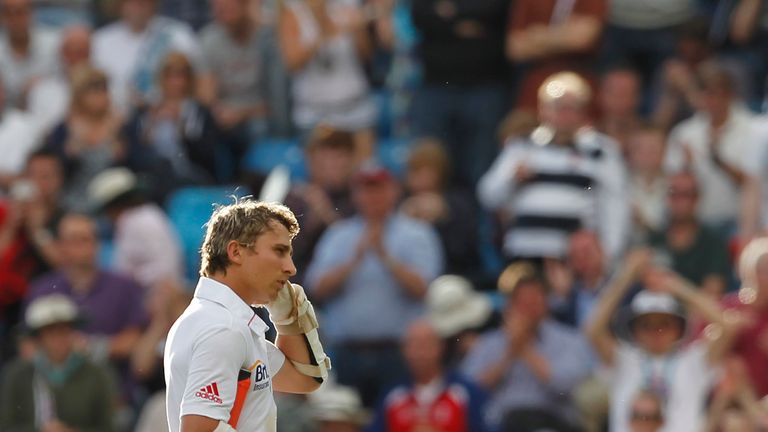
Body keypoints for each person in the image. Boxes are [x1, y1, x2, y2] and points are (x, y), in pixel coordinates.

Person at [164, 200, 330, 432]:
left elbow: (306, 379)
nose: (291, 268)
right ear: (236, 252)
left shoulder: (223, 321)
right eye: (279, 251)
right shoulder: (223, 328)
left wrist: (288, 320)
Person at [305, 163, 443, 406]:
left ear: (394, 191)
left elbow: (424, 289)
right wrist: (351, 263)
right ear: (356, 194)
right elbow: (316, 288)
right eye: (366, 189)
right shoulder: (339, 235)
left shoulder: (416, 234)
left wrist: (386, 258)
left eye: (378, 188)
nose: (372, 196)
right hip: (347, 352)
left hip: (397, 353)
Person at [477, 71, 629, 262]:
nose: (564, 114)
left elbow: (614, 207)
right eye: (558, 106)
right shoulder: (521, 146)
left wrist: (607, 256)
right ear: (542, 110)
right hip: (523, 255)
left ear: (584, 112)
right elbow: (488, 195)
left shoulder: (601, 151)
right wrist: (512, 177)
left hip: (575, 260)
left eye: (572, 107)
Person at [586, 249, 739, 432]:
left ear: (678, 328)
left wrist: (676, 285)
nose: (656, 331)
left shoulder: (693, 361)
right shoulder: (624, 360)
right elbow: (593, 330)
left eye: (664, 324)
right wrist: (626, 276)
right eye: (647, 325)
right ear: (635, 331)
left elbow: (727, 327)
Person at [462, 262, 592, 431]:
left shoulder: (569, 339)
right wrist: (508, 354)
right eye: (523, 302)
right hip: (502, 423)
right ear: (510, 306)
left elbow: (566, 385)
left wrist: (524, 349)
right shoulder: (489, 343)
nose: (530, 309)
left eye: (535, 301)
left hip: (553, 421)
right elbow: (469, 391)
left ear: (546, 302)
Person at [0, 294, 116, 431]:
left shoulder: (97, 374)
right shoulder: (18, 374)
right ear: (39, 337)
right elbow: (6, 426)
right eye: (50, 332)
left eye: (64, 330)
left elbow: (109, 427)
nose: (59, 338)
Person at [122, 51, 220, 198]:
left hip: (190, 171)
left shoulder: (199, 112)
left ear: (188, 80)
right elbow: (134, 152)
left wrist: (180, 126)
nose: (175, 83)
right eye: (169, 77)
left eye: (180, 77)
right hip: (152, 173)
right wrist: (152, 124)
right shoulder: (146, 111)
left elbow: (207, 156)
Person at [368, 319, 489, 432]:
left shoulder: (466, 392)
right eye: (413, 345)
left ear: (441, 347)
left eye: (425, 345)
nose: (419, 353)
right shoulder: (392, 396)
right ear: (404, 350)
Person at [87, 167, 184, 289]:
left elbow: (167, 268)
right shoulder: (145, 215)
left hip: (157, 293)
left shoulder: (138, 221)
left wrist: (132, 278)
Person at [646, 171, 731, 298]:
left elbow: (712, 297)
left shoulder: (713, 244)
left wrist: (673, 286)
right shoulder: (653, 240)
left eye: (687, 195)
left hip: (694, 315)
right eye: (673, 193)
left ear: (697, 199)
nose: (680, 201)